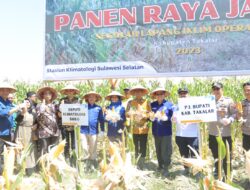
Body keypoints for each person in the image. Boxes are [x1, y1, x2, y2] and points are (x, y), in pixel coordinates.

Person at [207, 82, 236, 179]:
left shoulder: (228, 101)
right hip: (213, 133)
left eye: (218, 89)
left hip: (224, 133)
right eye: (214, 89)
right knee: (215, 154)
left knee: (226, 155)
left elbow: (234, 114)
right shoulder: (208, 101)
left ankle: (228, 175)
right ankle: (217, 173)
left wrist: (229, 120)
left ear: (222, 89)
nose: (216, 91)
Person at [0, 82, 26, 172]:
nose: (5, 92)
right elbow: (3, 113)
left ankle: (6, 173)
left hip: (8, 132)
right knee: (1, 154)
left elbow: (14, 117)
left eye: (7, 90)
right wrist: (18, 107)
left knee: (8, 153)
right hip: (1, 133)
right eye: (3, 90)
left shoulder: (8, 102)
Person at [173, 87, 199, 174]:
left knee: (194, 154)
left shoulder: (194, 105)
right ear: (179, 95)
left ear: (188, 95)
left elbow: (202, 116)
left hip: (192, 134)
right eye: (181, 93)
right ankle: (186, 170)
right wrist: (173, 119)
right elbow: (172, 119)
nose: (183, 95)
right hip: (180, 134)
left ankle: (195, 171)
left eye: (185, 93)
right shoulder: (175, 107)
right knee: (183, 154)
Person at [126, 85, 151, 169]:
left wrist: (144, 115)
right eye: (136, 92)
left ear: (142, 93)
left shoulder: (146, 102)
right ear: (134, 93)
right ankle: (136, 162)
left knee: (143, 145)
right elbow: (127, 113)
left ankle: (142, 162)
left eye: (140, 92)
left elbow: (150, 114)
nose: (138, 93)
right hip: (134, 129)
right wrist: (132, 114)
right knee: (135, 145)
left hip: (144, 128)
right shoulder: (130, 103)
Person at [150, 87, 173, 177]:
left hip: (166, 131)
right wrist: (151, 118)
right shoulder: (152, 105)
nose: (159, 96)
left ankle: (166, 167)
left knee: (165, 150)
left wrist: (167, 118)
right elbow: (149, 116)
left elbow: (172, 116)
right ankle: (160, 166)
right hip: (156, 131)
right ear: (155, 95)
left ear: (164, 95)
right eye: (157, 94)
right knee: (158, 149)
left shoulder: (169, 105)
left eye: (161, 94)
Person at [81, 91, 104, 169]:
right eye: (90, 97)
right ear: (87, 98)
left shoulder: (98, 108)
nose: (91, 98)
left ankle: (92, 164)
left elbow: (101, 119)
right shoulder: (83, 107)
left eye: (93, 97)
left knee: (93, 148)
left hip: (94, 131)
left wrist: (103, 130)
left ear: (96, 99)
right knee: (84, 147)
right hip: (83, 131)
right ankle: (85, 164)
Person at [58, 84, 80, 164]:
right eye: (68, 91)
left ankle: (74, 159)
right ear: (66, 92)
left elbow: (80, 112)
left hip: (74, 126)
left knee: (74, 144)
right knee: (65, 143)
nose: (70, 92)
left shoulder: (78, 101)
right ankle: (66, 159)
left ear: (74, 92)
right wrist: (62, 107)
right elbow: (59, 113)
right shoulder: (62, 101)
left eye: (71, 90)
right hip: (65, 126)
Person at [15, 98, 37, 175]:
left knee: (30, 150)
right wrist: (23, 112)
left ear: (30, 103)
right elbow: (17, 120)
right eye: (25, 102)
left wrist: (36, 125)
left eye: (28, 102)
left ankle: (30, 169)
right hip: (20, 132)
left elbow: (37, 121)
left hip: (29, 133)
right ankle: (21, 169)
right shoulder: (19, 111)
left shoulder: (33, 113)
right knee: (20, 149)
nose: (27, 103)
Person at [36, 86, 59, 157]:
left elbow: (60, 115)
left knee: (54, 150)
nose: (47, 95)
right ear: (42, 95)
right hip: (43, 131)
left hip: (55, 131)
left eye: (49, 94)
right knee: (44, 150)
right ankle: (44, 167)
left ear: (52, 95)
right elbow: (39, 115)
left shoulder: (55, 105)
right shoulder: (39, 105)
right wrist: (43, 105)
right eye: (45, 94)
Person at [237, 82, 250, 151]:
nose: (247, 92)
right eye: (245, 90)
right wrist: (239, 116)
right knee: (246, 154)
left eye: (248, 90)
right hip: (246, 133)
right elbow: (239, 117)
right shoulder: (242, 103)